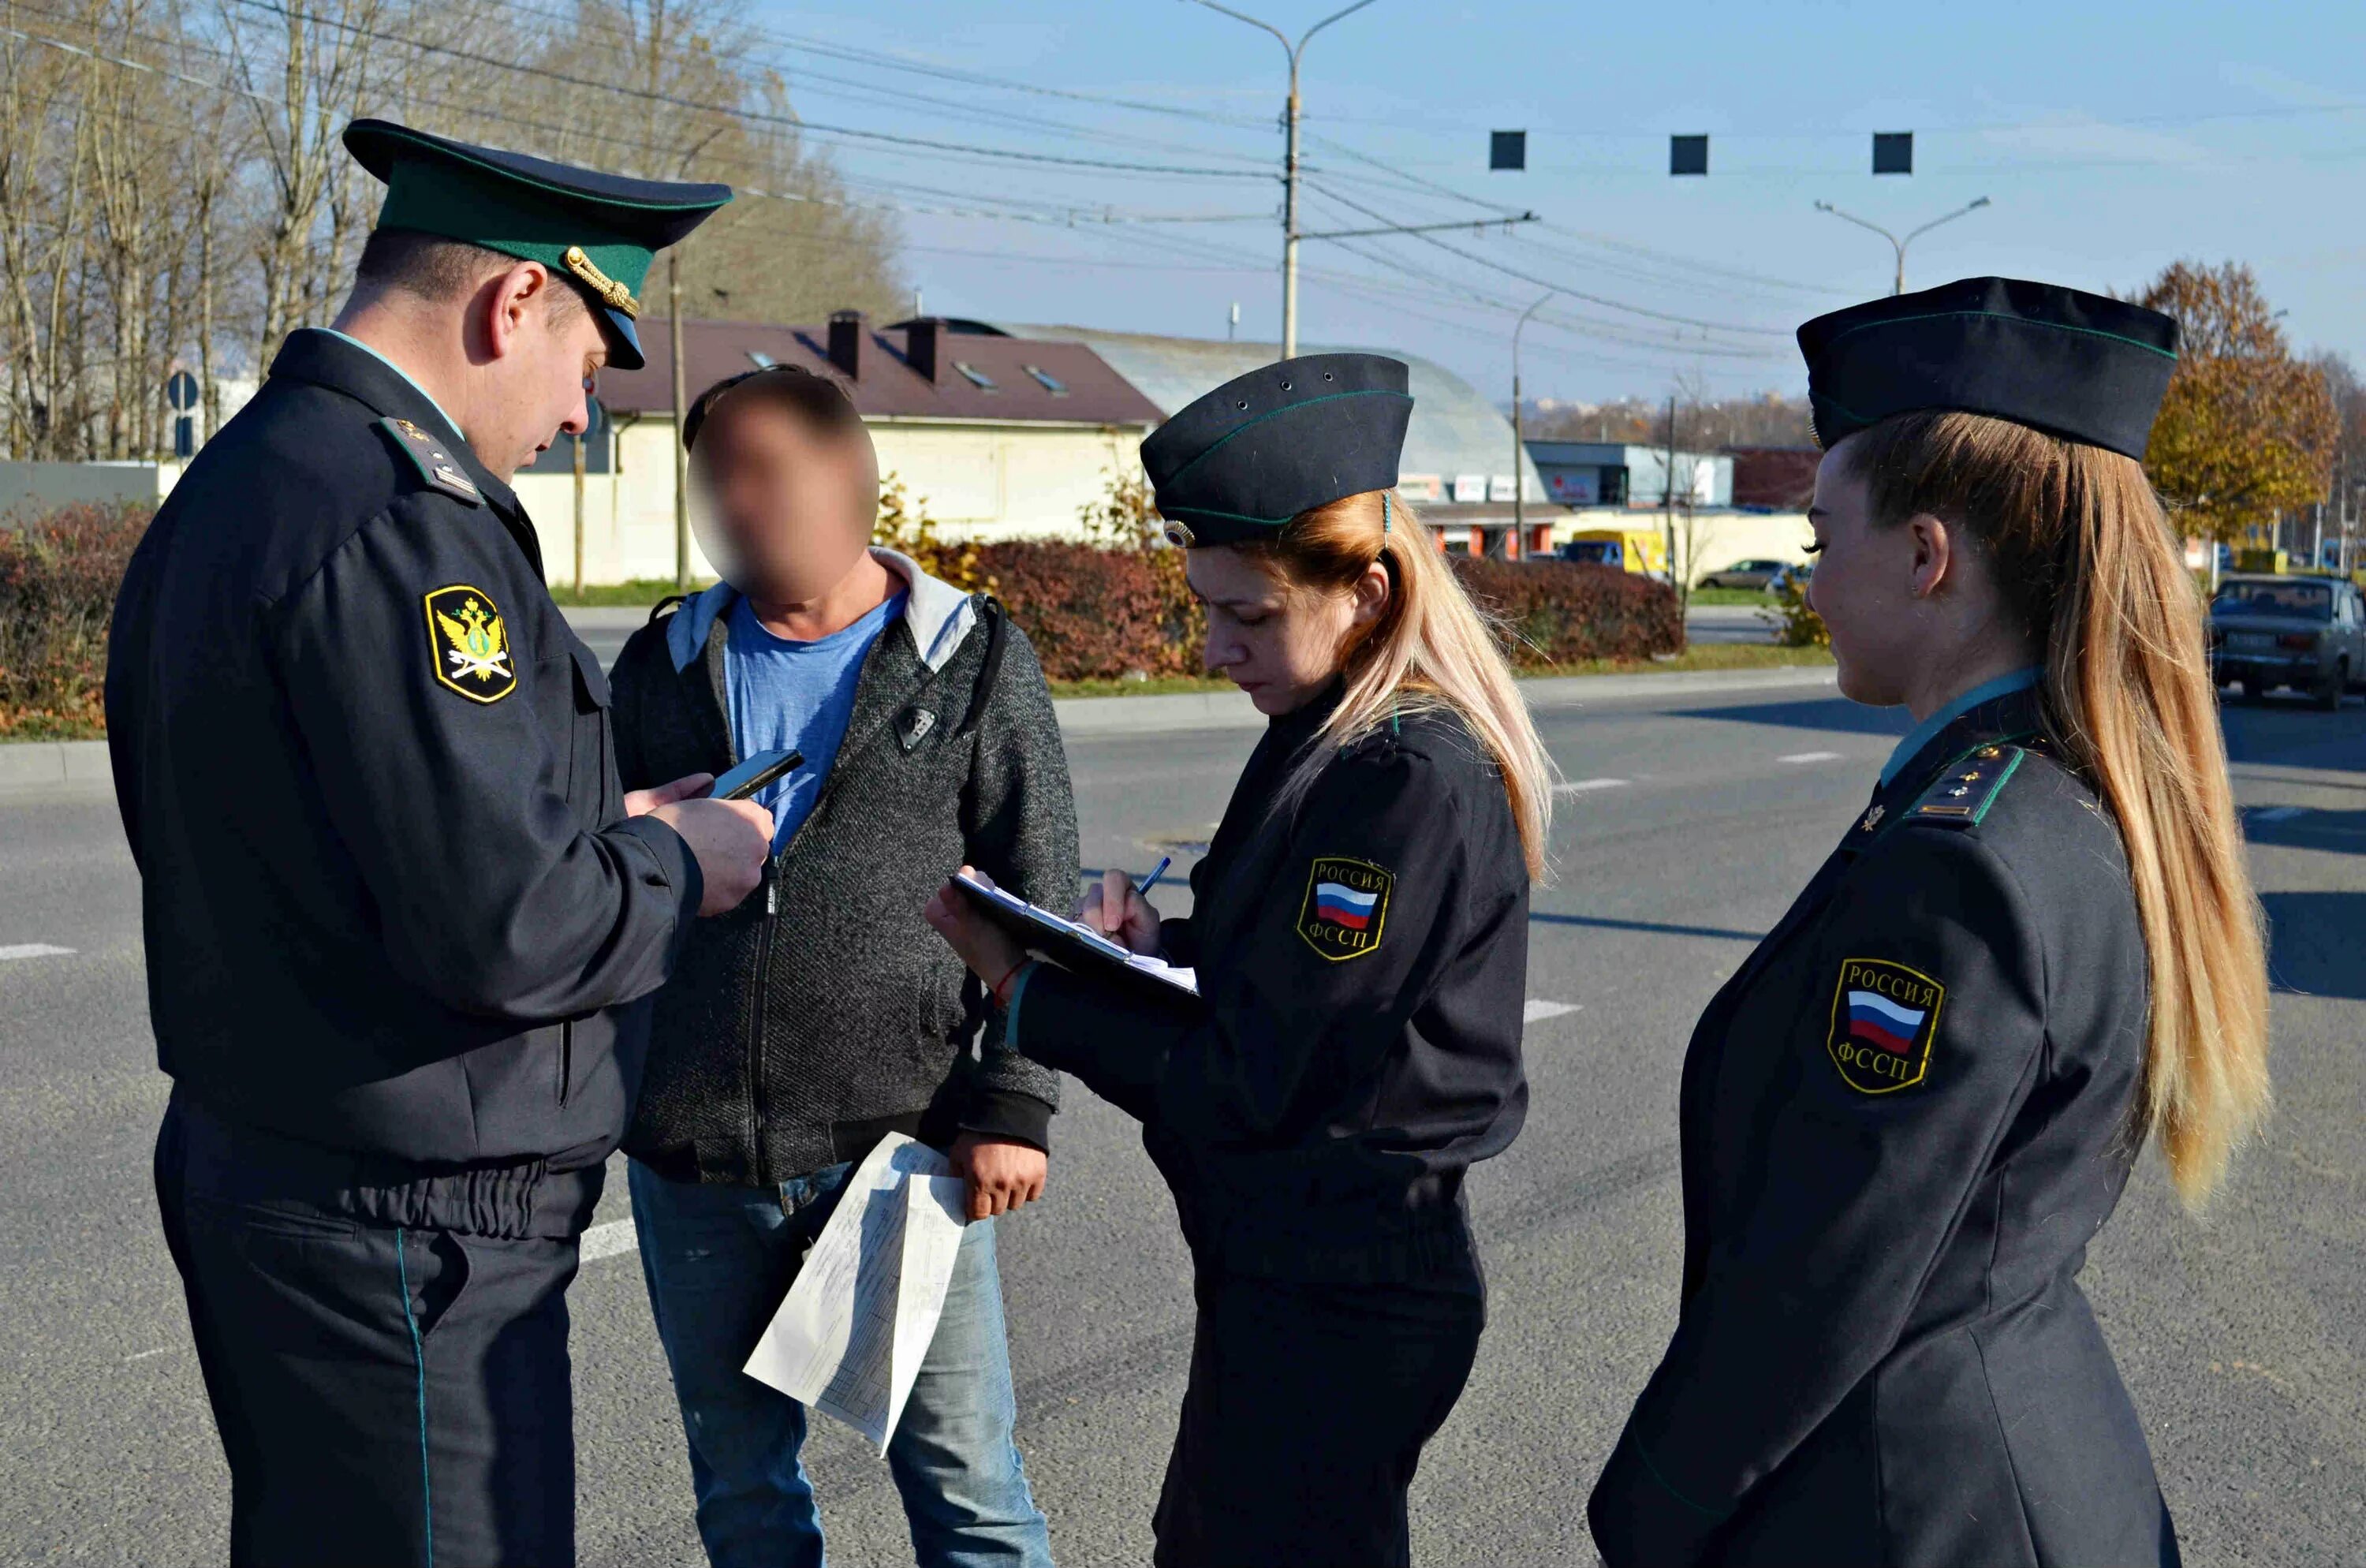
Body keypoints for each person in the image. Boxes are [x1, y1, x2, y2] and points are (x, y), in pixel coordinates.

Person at [104, 119, 775, 1567]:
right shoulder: (402, 519)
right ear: (513, 303)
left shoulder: (249, 482)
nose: (584, 416)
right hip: (404, 1221)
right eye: (592, 365)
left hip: (300, 1163)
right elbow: (506, 928)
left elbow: (353, 836)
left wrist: (596, 830)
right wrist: (687, 859)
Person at [1585, 278, 2273, 1568]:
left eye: (1819, 536)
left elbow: (1831, 1274)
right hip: (2010, 1475)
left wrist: (1654, 1508)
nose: (1809, 581)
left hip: (1915, 1508)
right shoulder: (2050, 803)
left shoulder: (1962, 863)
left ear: (1925, 554)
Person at [924, 353, 1555, 1568]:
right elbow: (1276, 968)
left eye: (1249, 614)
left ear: (1368, 592)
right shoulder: (1326, 731)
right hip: (1293, 1268)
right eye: (1209, 608)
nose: (1218, 648)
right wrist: (1158, 949)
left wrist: (1031, 994)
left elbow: (1263, 1068)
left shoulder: (1404, 776)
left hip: (1346, 1286)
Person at [606, 364, 1074, 1568]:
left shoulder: (971, 657)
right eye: (712, 477)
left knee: (970, 1498)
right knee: (744, 1496)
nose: (735, 501)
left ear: (852, 476)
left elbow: (1042, 897)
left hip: (899, 1155)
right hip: (693, 1153)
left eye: (763, 470)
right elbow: (594, 871)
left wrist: (1012, 1103)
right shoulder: (661, 663)